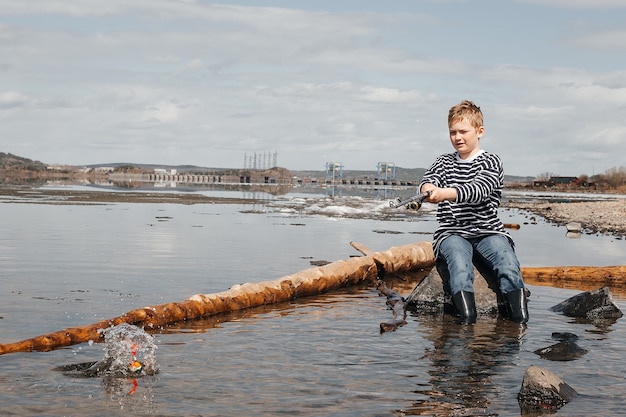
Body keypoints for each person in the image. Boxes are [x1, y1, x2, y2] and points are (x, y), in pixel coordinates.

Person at [419, 100, 528, 324]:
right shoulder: (443, 162)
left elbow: (478, 190)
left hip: (488, 231)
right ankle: (467, 322)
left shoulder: (491, 161)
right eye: (452, 132)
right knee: (459, 265)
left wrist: (444, 194)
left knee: (507, 262)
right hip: (452, 232)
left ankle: (519, 321)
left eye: (463, 131)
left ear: (480, 132)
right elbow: (428, 181)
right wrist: (427, 189)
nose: (457, 137)